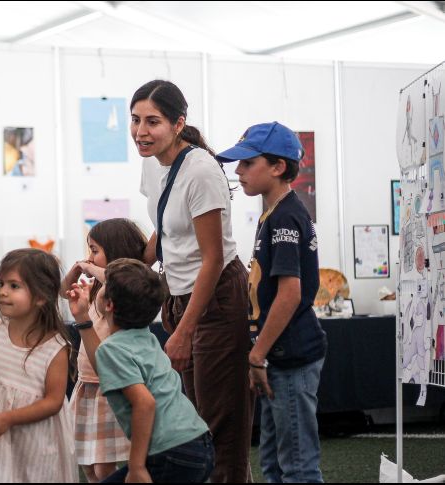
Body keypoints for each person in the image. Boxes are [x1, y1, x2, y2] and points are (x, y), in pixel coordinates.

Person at [134, 79, 253, 482]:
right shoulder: (152, 163)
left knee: (221, 425)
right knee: (196, 420)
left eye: (153, 121)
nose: (141, 132)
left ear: (178, 123)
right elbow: (163, 230)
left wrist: (184, 332)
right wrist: (122, 267)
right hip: (181, 295)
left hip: (215, 294)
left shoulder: (201, 170)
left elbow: (213, 259)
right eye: (135, 121)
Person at [217, 121, 327, 483]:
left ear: (278, 167)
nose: (238, 171)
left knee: (297, 467)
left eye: (248, 163)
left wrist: (256, 354)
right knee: (274, 464)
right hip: (277, 356)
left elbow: (290, 294)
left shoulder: (285, 217)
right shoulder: (274, 214)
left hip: (289, 356)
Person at [67, 258, 214, 483]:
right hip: (198, 443)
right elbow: (106, 367)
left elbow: (145, 403)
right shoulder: (146, 337)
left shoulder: (113, 348)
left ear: (109, 305)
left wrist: (136, 466)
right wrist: (83, 320)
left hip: (171, 452)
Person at [0, 248, 78, 482]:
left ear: (41, 296)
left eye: (14, 286)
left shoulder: (56, 346)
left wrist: (9, 418)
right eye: (1, 284)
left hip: (36, 443)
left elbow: (53, 401)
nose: (3, 292)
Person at [60, 218, 147, 482]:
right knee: (89, 463)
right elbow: (64, 291)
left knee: (104, 466)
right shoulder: (98, 285)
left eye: (95, 250)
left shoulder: (122, 287)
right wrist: (78, 268)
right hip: (89, 383)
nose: (90, 256)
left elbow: (119, 278)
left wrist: (89, 266)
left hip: (111, 385)